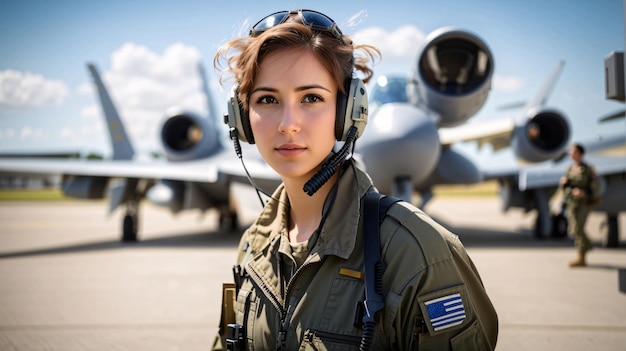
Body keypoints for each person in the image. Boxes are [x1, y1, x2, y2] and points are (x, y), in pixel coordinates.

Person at [212, 9, 498, 350]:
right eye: (267, 99)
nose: (288, 123)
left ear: (349, 112)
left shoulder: (418, 253)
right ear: (243, 118)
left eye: (312, 98)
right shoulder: (254, 244)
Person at [560, 143, 598, 267]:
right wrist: (564, 184)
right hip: (572, 203)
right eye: (571, 152)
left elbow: (595, 187)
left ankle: (582, 255)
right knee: (574, 230)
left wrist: (583, 193)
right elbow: (565, 187)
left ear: (580, 153)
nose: (571, 154)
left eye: (574, 151)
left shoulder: (588, 169)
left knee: (578, 228)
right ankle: (586, 248)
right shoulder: (570, 169)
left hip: (584, 203)